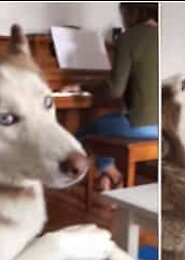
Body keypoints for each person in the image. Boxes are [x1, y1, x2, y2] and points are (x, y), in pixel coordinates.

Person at [68, 3, 158, 191]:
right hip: (163, 126)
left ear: (130, 11)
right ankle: (109, 178)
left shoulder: (129, 38)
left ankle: (111, 174)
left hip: (141, 126)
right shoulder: (165, 35)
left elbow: (114, 90)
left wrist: (81, 86)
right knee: (106, 123)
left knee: (87, 130)